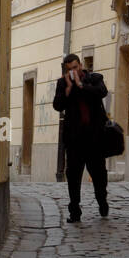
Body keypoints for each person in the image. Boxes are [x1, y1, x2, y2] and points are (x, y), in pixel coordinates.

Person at [53, 53, 110, 223]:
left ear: (81, 65)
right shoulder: (62, 83)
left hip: (94, 138)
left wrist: (81, 85)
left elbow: (102, 92)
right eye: (70, 69)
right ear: (66, 69)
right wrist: (69, 89)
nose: (73, 71)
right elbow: (57, 105)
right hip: (75, 140)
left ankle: (102, 201)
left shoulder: (94, 78)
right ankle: (75, 211)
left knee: (99, 175)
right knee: (73, 176)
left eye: (75, 67)